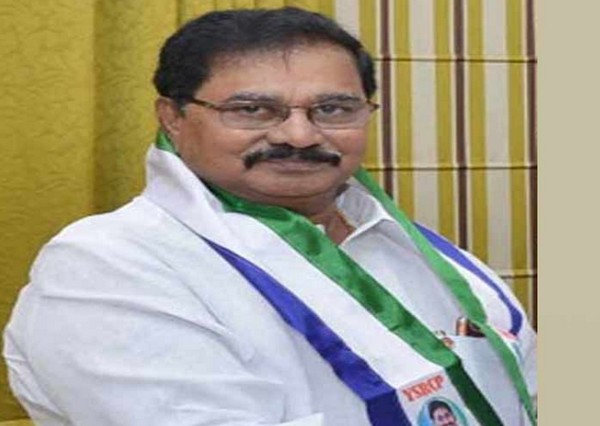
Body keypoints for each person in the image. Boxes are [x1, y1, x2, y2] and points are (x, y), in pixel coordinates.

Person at [3, 7, 536, 426]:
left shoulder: (427, 254)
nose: (298, 135)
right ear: (173, 118)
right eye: (252, 110)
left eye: (333, 109)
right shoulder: (109, 266)